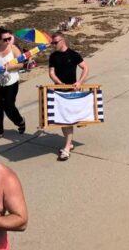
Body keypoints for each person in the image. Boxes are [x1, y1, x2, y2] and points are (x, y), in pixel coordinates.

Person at [48, 32, 89, 161]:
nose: (53, 45)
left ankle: (66, 149)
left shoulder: (73, 54)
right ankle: (69, 143)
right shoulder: (53, 56)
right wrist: (59, 83)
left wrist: (80, 82)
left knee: (68, 120)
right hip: (58, 91)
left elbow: (85, 68)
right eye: (52, 43)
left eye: (55, 42)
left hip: (72, 91)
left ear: (62, 41)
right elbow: (51, 73)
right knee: (61, 119)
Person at [0, 27, 26, 142]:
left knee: (9, 107)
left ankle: (20, 121)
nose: (7, 41)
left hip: (11, 82)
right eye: (5, 39)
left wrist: (10, 66)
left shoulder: (13, 49)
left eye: (9, 38)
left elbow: (22, 64)